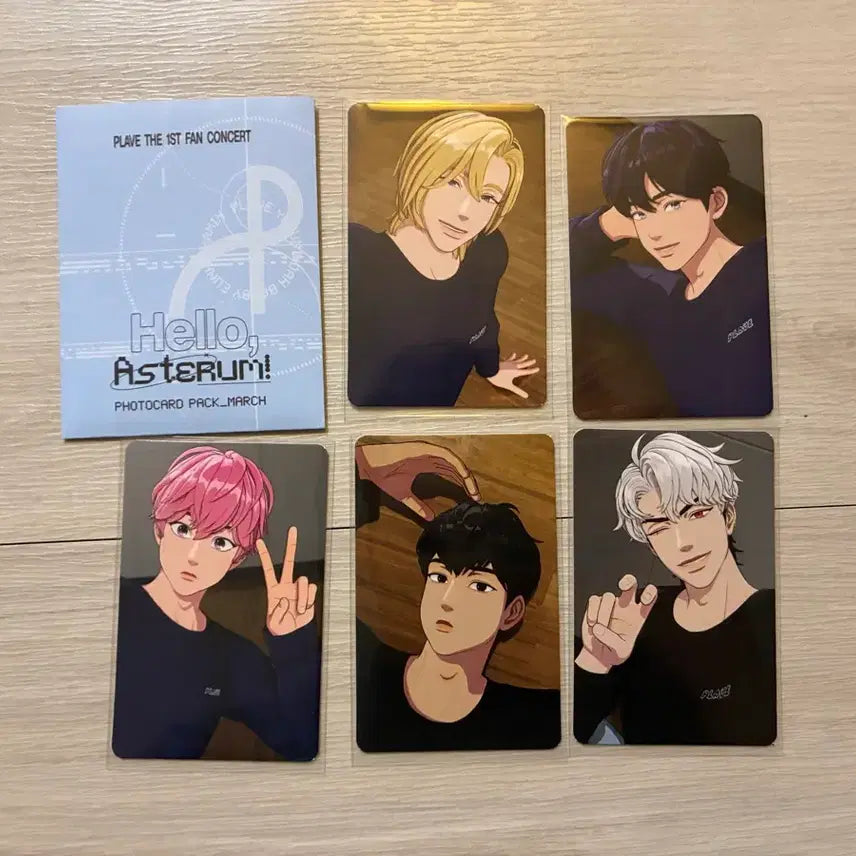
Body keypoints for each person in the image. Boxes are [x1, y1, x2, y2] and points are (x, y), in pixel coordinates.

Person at [112, 446, 321, 760]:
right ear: (159, 530)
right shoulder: (118, 606)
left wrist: (293, 643)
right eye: (183, 529)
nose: (194, 556)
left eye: (220, 542)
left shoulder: (234, 657)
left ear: (236, 559)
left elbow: (300, 743)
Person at [355, 441, 560, 751]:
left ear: (511, 612)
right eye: (439, 577)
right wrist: (362, 466)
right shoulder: (362, 662)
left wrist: (599, 658)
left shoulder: (531, 720)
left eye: (479, 586)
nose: (447, 599)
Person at [574, 433, 776, 746]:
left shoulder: (774, 615)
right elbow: (571, 734)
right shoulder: (638, 614)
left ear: (728, 516)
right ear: (651, 546)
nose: (683, 543)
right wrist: (594, 661)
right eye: (660, 528)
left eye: (696, 513)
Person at [569, 118, 772, 417]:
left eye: (672, 205)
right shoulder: (656, 301)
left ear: (716, 202)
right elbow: (561, 264)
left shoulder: (767, 264)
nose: (655, 233)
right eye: (640, 214)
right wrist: (611, 223)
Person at [349, 110, 539, 406]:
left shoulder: (487, 250)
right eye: (452, 182)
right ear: (418, 172)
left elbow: (482, 323)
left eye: (487, 197)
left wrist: (491, 369)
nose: (465, 212)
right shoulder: (357, 255)